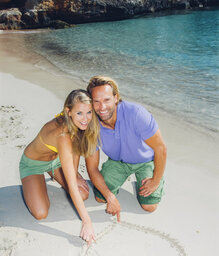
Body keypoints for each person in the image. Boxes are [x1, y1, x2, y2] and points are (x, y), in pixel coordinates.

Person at [19, 89, 100, 245]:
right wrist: (87, 221)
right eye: (80, 114)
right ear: (68, 111)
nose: (85, 119)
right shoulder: (62, 135)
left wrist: (75, 174)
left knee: (83, 194)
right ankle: (33, 183)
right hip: (33, 165)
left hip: (56, 161)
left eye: (89, 112)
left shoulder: (74, 123)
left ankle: (53, 172)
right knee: (40, 213)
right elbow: (71, 183)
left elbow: (74, 150)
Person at [85, 76, 167, 221]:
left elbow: (160, 148)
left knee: (150, 206)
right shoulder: (90, 125)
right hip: (118, 162)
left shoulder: (136, 114)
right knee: (100, 199)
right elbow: (92, 168)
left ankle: (147, 177)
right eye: (96, 101)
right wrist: (110, 197)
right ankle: (118, 177)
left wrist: (155, 181)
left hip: (145, 161)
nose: (102, 107)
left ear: (116, 98)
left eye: (106, 100)